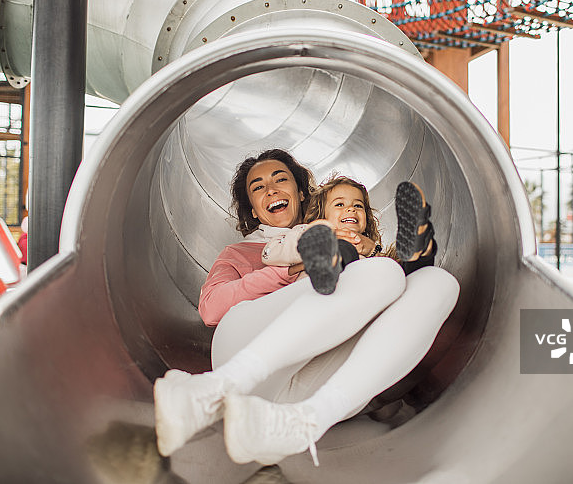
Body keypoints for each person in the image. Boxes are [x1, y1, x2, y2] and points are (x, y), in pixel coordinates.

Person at [154, 149, 459, 467]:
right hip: (244, 347)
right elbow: (211, 308)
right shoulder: (241, 252)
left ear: (301, 193)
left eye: (280, 180)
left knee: (438, 284)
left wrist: (369, 251)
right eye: (258, 187)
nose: (271, 190)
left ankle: (304, 423)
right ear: (254, 210)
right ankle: (214, 389)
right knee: (380, 274)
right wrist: (287, 271)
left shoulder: (344, 237)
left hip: (304, 384)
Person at [259, 174, 437, 295]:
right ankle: (330, 264)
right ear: (321, 215)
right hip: (319, 293)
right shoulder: (303, 231)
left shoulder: (369, 248)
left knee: (402, 271)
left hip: (366, 294)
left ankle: (420, 246)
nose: (351, 208)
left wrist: (373, 251)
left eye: (358, 205)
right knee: (342, 247)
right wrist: (315, 237)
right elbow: (270, 254)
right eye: (339, 204)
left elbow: (387, 272)